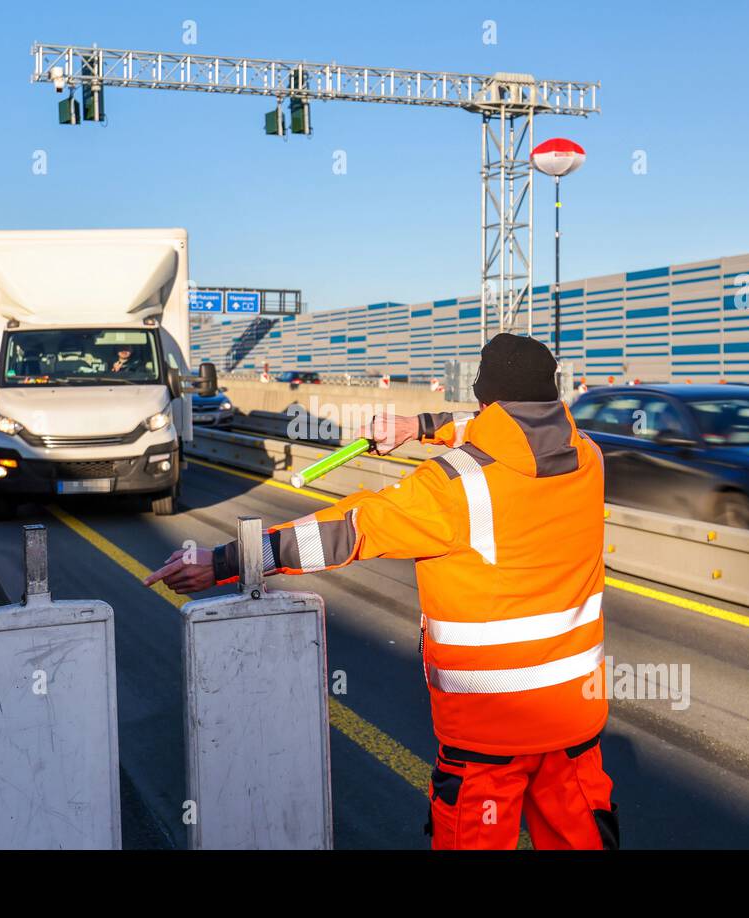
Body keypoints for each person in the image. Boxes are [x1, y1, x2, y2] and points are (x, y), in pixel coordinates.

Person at [145, 333, 617, 851]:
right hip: (573, 722)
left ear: (485, 398)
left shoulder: (454, 487)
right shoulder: (588, 457)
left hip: (488, 734)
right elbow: (504, 427)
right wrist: (418, 427)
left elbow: (343, 531)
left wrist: (222, 562)